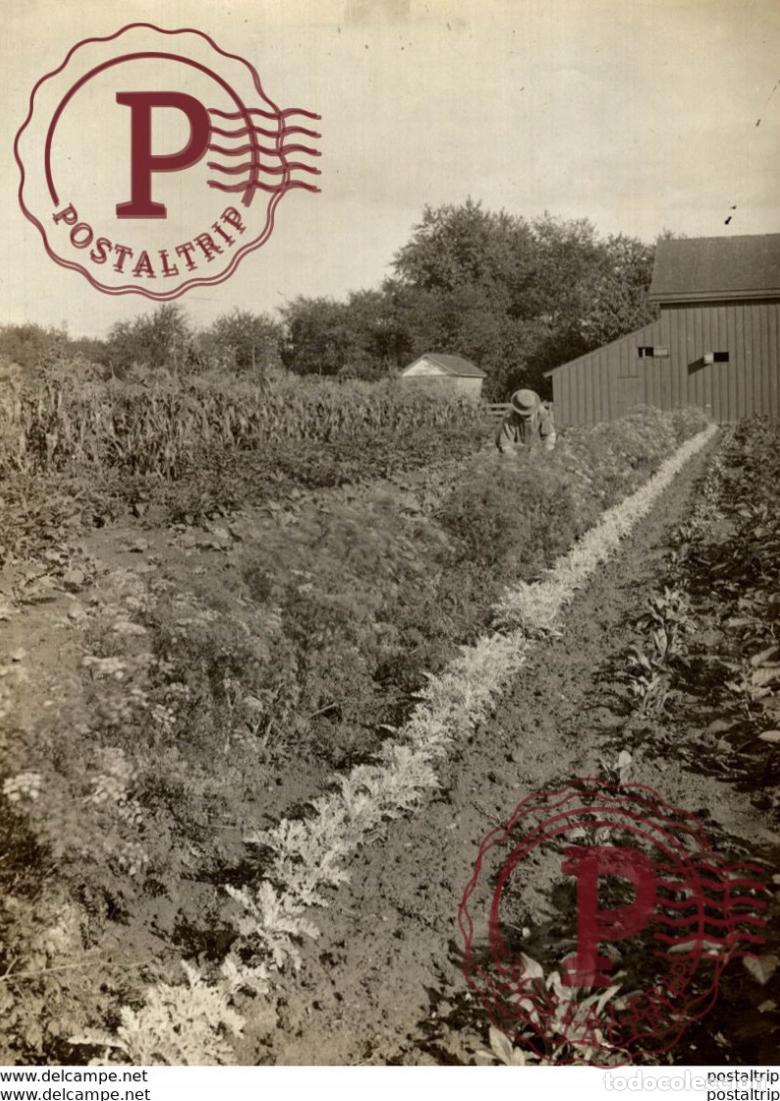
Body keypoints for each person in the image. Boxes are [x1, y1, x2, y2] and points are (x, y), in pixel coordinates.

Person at [495, 388, 557, 454]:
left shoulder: (541, 412)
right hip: (515, 449)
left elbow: (550, 435)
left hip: (535, 449)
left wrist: (545, 452)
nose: (527, 417)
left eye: (529, 414)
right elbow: (506, 443)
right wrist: (515, 459)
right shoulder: (510, 416)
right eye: (524, 414)